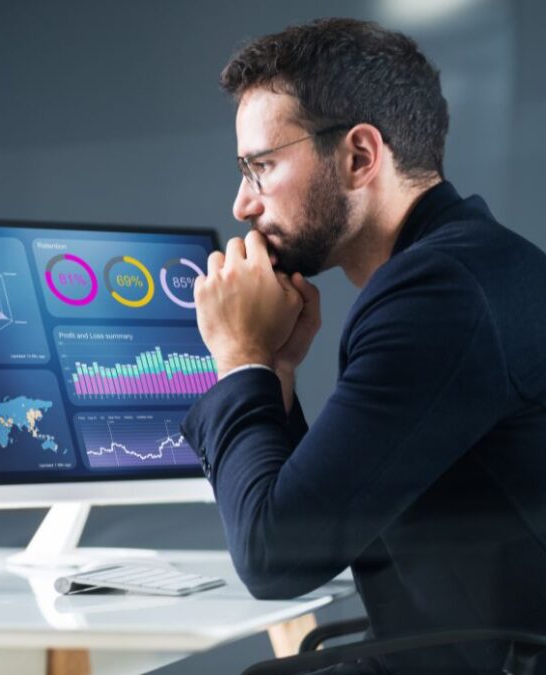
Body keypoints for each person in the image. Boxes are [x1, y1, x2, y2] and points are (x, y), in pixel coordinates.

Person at [180, 18, 546, 674]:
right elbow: (313, 526)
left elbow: (275, 558)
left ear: (358, 156)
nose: (241, 204)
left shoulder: (436, 298)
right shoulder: (465, 269)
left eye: (261, 167)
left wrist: (240, 356)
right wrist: (277, 369)